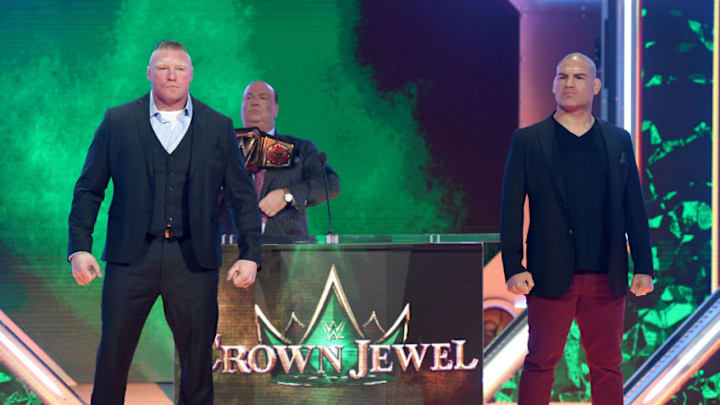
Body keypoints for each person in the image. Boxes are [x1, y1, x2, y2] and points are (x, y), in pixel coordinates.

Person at [67, 40, 261, 404]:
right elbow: (88, 189)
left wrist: (251, 253)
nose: (171, 75)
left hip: (193, 261)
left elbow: (242, 196)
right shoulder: (118, 121)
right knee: (112, 358)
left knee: (198, 362)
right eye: (163, 68)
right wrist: (79, 247)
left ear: (191, 75)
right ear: (149, 74)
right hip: (130, 259)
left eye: (180, 69)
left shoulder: (218, 126)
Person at [500, 52, 655, 404]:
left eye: (579, 77)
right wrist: (513, 266)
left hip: (606, 273)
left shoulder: (618, 140)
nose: (569, 83)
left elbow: (634, 207)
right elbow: (510, 207)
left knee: (608, 366)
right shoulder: (529, 139)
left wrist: (643, 267)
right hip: (548, 273)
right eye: (563, 76)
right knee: (541, 362)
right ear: (554, 84)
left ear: (595, 85)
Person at [219, 81, 340, 239]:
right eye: (248, 98)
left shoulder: (300, 148)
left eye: (263, 97)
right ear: (241, 108)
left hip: (287, 250)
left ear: (275, 109)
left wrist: (287, 195)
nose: (254, 101)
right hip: (231, 249)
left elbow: (329, 184)